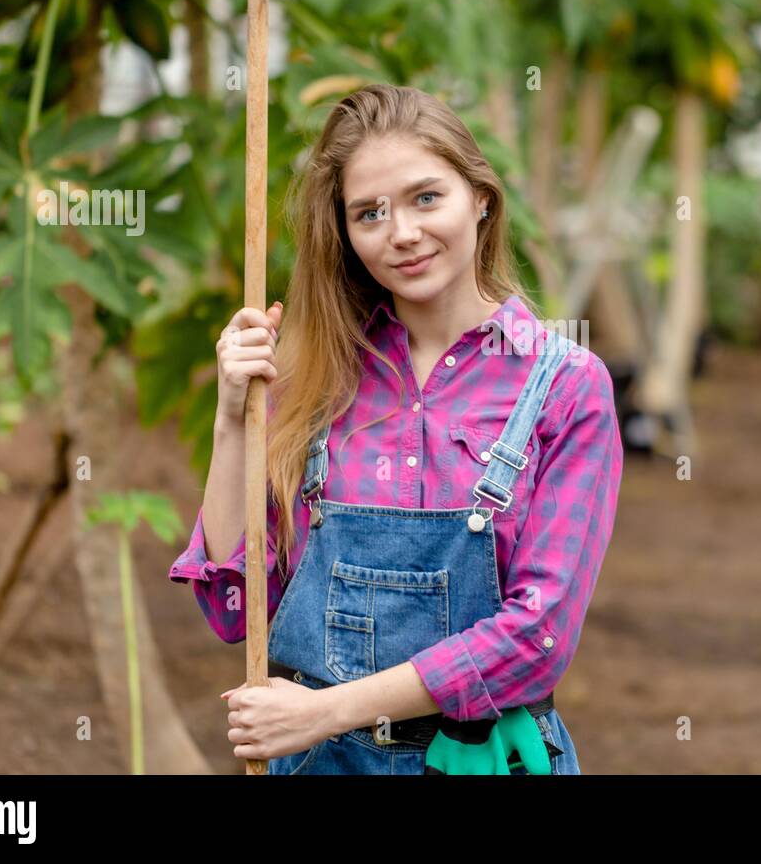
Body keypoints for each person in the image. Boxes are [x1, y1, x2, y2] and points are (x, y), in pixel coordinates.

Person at [168, 83, 624, 774]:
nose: (402, 232)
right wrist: (233, 419)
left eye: (425, 198)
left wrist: (326, 711)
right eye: (369, 213)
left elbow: (538, 639)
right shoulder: (316, 376)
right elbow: (236, 610)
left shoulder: (564, 385)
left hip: (482, 761)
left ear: (481, 198)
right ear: (346, 234)